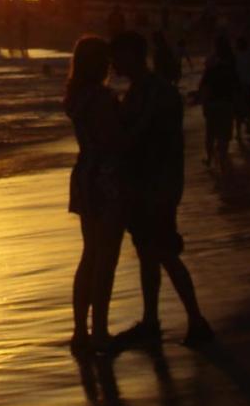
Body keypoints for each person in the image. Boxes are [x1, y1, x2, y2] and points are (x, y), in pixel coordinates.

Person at [112, 30, 212, 348]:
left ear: (134, 55)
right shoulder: (142, 90)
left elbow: (144, 137)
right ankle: (152, 320)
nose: (114, 62)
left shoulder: (154, 92)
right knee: (148, 254)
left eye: (119, 55)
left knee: (164, 252)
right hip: (147, 185)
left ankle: (196, 320)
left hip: (157, 186)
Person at [64, 36, 124, 354]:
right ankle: (99, 330)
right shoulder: (101, 98)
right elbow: (113, 139)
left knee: (89, 255)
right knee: (106, 257)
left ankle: (79, 331)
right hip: (106, 177)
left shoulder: (75, 97)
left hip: (84, 173)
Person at [199, 35, 238, 173]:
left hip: (213, 104)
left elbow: (204, 89)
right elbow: (235, 87)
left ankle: (210, 158)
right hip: (227, 104)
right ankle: (222, 158)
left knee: (210, 133)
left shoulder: (210, 70)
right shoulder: (231, 66)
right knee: (224, 135)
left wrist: (204, 106)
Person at [233, 37, 250, 140]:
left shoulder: (237, 56)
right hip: (246, 84)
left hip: (243, 85)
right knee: (249, 106)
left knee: (243, 108)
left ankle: (241, 129)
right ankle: (245, 125)